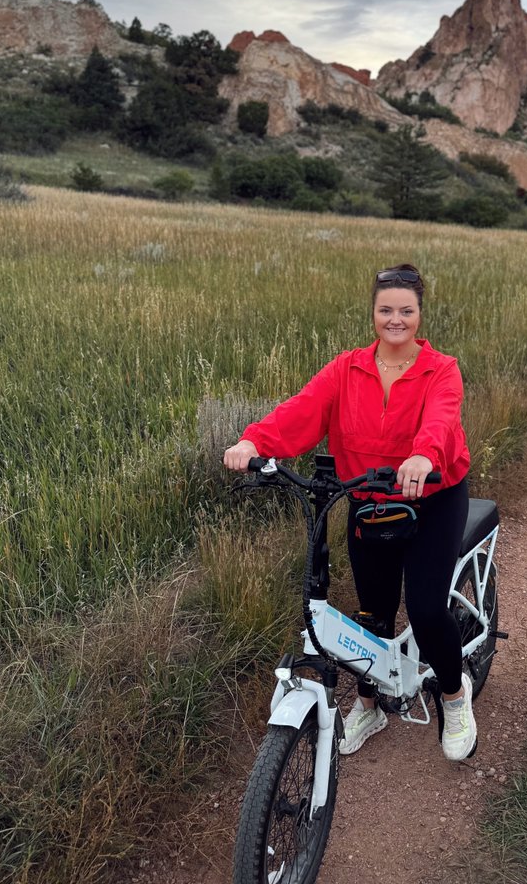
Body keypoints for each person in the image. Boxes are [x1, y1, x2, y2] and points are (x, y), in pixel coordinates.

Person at [223, 264, 476, 761]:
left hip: (432, 495)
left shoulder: (441, 370)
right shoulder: (347, 368)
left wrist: (423, 455)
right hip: (368, 500)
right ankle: (369, 704)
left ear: (420, 315)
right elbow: (304, 409)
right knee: (370, 617)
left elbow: (443, 419)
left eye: (406, 310)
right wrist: (255, 440)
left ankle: (453, 693)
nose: (395, 319)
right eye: (386, 310)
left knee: (425, 609)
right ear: (373, 314)